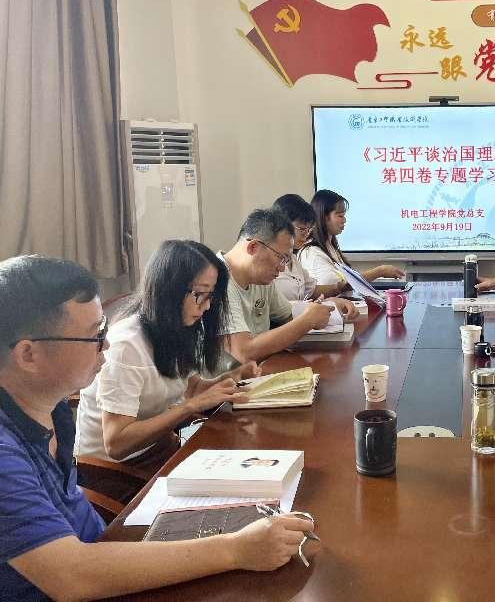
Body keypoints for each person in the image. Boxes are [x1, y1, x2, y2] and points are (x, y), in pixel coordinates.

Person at [0, 255, 314, 601]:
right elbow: (70, 575)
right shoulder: (5, 454)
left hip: (105, 552)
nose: (106, 345)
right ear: (27, 355)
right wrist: (236, 550)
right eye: (94, 336)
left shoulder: (53, 408)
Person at [74, 241, 256, 478]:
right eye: (199, 294)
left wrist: (232, 377)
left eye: (210, 295)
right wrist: (190, 407)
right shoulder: (126, 345)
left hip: (159, 447)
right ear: (169, 291)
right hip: (113, 472)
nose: (208, 306)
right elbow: (116, 443)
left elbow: (191, 388)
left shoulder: (179, 328)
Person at [220, 208, 334, 363]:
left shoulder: (260, 278)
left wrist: (326, 307)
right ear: (253, 247)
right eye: (281, 258)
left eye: (286, 261)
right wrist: (307, 321)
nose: (281, 268)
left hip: (260, 370)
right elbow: (243, 353)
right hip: (229, 377)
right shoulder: (215, 281)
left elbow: (288, 316)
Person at [271, 194, 358, 320]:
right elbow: (277, 309)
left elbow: (311, 290)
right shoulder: (269, 263)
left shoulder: (293, 259)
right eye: (302, 229)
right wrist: (314, 306)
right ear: (281, 225)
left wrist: (339, 288)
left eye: (309, 229)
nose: (306, 234)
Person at [298, 189, 405, 286]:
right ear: (324, 217)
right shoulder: (312, 253)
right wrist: (379, 271)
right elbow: (336, 285)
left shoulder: (330, 247)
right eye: (340, 216)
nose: (344, 220)